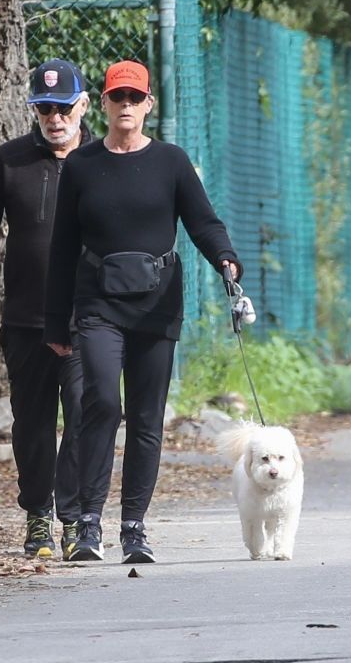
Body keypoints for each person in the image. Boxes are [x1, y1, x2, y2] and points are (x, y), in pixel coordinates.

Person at [44, 60, 243, 564]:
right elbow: (63, 247)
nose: (126, 106)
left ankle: (134, 526)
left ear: (149, 104)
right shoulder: (82, 166)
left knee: (148, 417)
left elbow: (203, 222)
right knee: (103, 403)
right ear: (103, 104)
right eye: (118, 98)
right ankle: (88, 524)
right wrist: (54, 321)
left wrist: (226, 259)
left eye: (135, 98)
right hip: (98, 303)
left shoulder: (171, 162)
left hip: (157, 305)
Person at [0, 58, 92, 560]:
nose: (54, 119)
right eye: (44, 110)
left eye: (62, 108)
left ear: (82, 105)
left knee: (84, 417)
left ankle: (78, 520)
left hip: (88, 320)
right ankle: (39, 518)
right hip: (27, 320)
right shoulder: (11, 160)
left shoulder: (100, 160)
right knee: (32, 425)